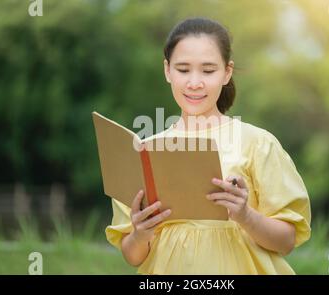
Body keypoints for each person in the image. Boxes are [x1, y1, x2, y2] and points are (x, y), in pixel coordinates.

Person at [105, 17, 311, 274]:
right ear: (167, 71)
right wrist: (140, 233)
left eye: (208, 70)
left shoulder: (258, 143)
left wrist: (246, 215)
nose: (194, 83)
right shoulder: (144, 151)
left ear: (227, 72)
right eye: (183, 69)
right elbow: (132, 256)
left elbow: (286, 241)